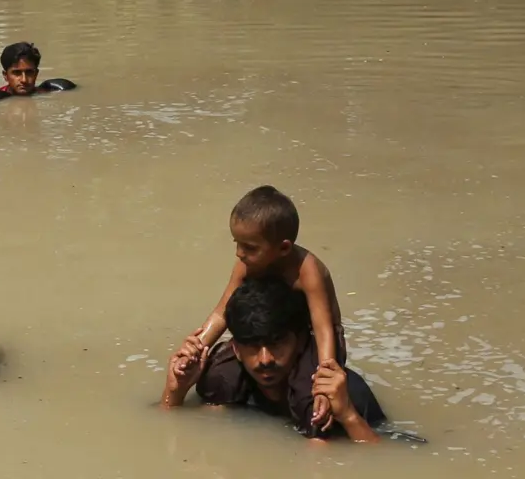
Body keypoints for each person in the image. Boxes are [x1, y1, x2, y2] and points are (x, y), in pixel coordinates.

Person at [177, 186, 346, 433]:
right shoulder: (247, 264)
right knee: (214, 377)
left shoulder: (308, 272)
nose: (239, 253)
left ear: (284, 248)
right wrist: (195, 348)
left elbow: (323, 329)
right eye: (237, 244)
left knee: (312, 406)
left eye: (249, 247)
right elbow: (221, 313)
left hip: (313, 341)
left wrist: (325, 378)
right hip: (268, 334)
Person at [162, 276, 384, 442]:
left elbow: (385, 458)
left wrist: (348, 415)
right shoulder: (226, 381)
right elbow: (165, 430)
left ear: (299, 342)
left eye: (276, 343)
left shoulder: (346, 393)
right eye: (252, 346)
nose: (265, 359)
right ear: (236, 349)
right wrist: (176, 391)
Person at [0, 42, 76, 101]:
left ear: (36, 73)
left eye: (29, 72)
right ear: (5, 76)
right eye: (16, 73)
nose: (24, 79)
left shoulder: (53, 89)